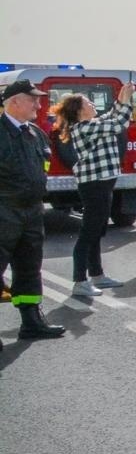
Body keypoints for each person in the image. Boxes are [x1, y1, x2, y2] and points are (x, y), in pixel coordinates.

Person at [0, 79, 66, 342]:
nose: (39, 105)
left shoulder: (36, 133)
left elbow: (43, 169)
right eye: (33, 99)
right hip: (4, 210)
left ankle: (32, 321)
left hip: (31, 212)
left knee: (29, 268)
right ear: (14, 101)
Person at [53, 84, 134, 296]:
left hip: (102, 183)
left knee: (97, 230)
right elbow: (118, 124)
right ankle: (80, 281)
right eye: (88, 103)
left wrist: (122, 97)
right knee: (89, 232)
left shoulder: (93, 123)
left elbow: (110, 116)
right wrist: (126, 102)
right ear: (80, 111)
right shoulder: (84, 127)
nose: (92, 104)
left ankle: (97, 275)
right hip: (94, 185)